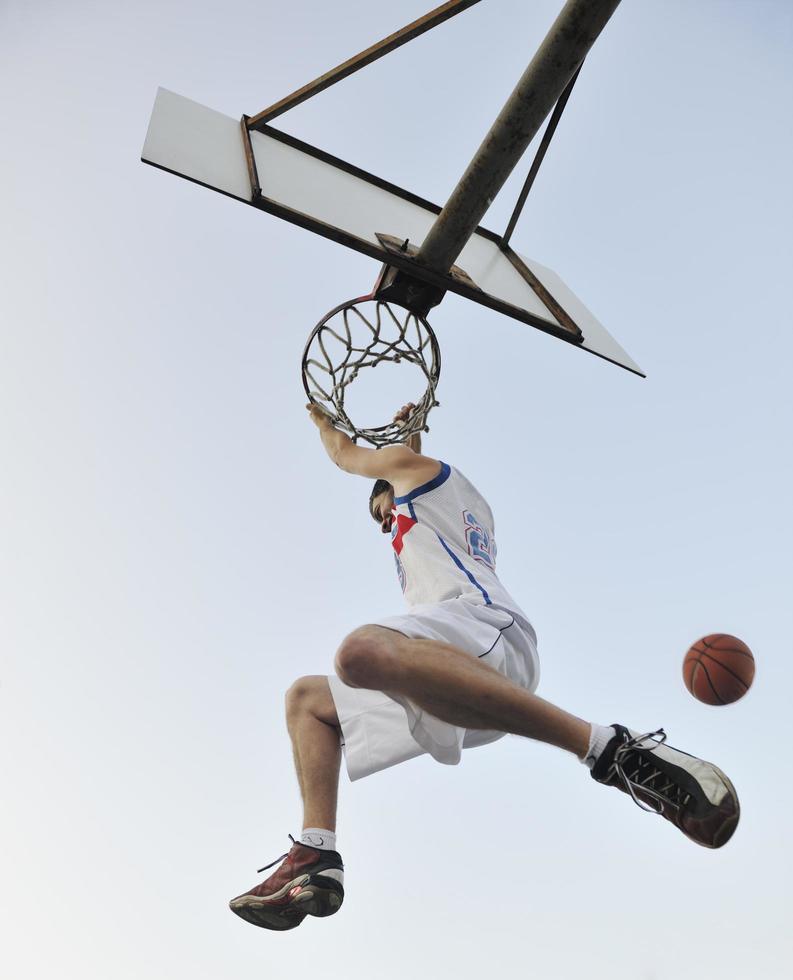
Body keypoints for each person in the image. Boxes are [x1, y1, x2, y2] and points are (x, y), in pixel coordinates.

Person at [229, 402, 740, 931]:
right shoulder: (435, 500)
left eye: (379, 510)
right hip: (452, 670)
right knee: (307, 701)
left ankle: (610, 748)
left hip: (485, 632)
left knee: (359, 652)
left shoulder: (420, 479)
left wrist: (323, 422)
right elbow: (408, 472)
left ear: (391, 478)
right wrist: (411, 433)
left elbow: (350, 457)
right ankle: (317, 853)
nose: (383, 524)